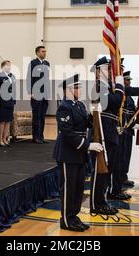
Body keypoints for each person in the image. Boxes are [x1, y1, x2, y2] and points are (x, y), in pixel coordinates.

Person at [53, 74, 103, 232]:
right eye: (76, 87)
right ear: (67, 90)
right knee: (68, 188)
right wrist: (88, 145)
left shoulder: (80, 105)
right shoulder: (64, 107)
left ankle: (74, 216)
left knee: (78, 188)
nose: (79, 90)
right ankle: (67, 220)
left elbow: (88, 123)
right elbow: (67, 133)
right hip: (68, 153)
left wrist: (96, 113)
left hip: (79, 154)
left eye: (80, 87)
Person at [89, 56, 124, 215]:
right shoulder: (99, 86)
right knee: (100, 170)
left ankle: (102, 200)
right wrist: (120, 87)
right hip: (101, 133)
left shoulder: (106, 87)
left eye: (109, 69)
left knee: (107, 169)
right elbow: (115, 102)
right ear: (97, 72)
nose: (109, 71)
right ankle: (97, 204)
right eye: (105, 68)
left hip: (109, 131)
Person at [26, 46, 51, 144]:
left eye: (45, 51)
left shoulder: (47, 63)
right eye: (43, 51)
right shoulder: (33, 63)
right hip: (36, 93)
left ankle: (41, 136)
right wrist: (30, 92)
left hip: (45, 94)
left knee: (42, 116)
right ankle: (35, 137)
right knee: (36, 115)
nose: (45, 53)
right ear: (37, 53)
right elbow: (29, 78)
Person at [0, 60, 16, 147]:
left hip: (10, 102)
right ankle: (0, 139)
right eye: (7, 65)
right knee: (2, 121)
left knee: (8, 121)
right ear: (3, 66)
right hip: (1, 102)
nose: (9, 67)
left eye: (10, 65)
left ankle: (5, 138)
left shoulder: (11, 76)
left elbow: (14, 89)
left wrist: (14, 100)